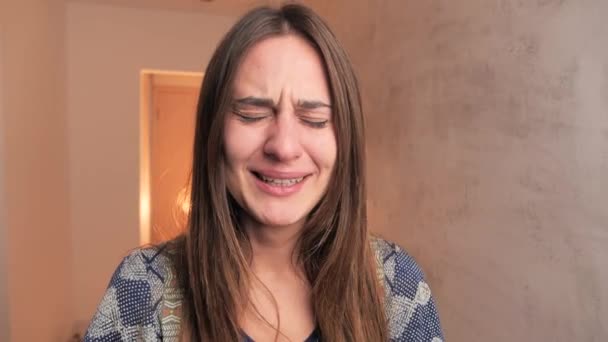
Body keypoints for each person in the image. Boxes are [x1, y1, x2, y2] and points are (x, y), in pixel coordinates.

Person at [84, 3, 443, 342]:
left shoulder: (397, 288)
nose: (283, 147)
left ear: (345, 139)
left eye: (314, 119)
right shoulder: (142, 290)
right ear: (214, 131)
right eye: (252, 114)